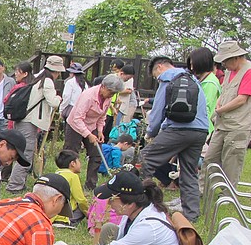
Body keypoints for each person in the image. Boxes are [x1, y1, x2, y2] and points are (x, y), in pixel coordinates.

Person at [141, 55, 209, 222]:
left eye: (155, 76)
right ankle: (191, 215)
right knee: (189, 172)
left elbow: (157, 112)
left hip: (178, 129)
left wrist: (150, 133)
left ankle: (144, 205)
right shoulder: (192, 78)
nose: (157, 79)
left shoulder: (167, 78)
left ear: (159, 68)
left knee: (146, 157)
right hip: (200, 130)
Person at [6, 55, 63, 192]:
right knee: (26, 153)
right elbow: (53, 102)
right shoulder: (47, 81)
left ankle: (16, 182)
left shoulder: (37, 77)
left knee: (19, 151)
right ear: (56, 71)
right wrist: (59, 98)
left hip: (21, 120)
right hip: (29, 122)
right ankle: (15, 185)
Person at [202, 40, 251, 188]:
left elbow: (241, 99)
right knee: (209, 158)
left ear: (236, 58)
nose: (224, 65)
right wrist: (218, 104)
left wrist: (220, 110)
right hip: (221, 124)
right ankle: (201, 189)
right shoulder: (230, 71)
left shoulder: (248, 71)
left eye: (226, 61)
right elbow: (223, 92)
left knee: (232, 162)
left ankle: (228, 194)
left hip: (238, 126)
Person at [64, 74, 126, 191]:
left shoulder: (107, 98)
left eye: (113, 94)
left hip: (92, 126)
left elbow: (102, 116)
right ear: (103, 87)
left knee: (97, 154)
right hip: (75, 125)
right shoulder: (88, 96)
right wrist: (88, 135)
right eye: (110, 92)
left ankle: (90, 185)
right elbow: (77, 118)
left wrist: (99, 131)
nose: (111, 96)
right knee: (71, 154)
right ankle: (68, 183)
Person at [54, 149, 89, 226]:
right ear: (73, 163)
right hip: (65, 217)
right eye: (79, 161)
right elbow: (81, 200)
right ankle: (70, 222)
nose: (80, 164)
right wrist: (89, 213)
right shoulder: (73, 176)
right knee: (81, 207)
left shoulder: (56, 174)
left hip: (52, 214)